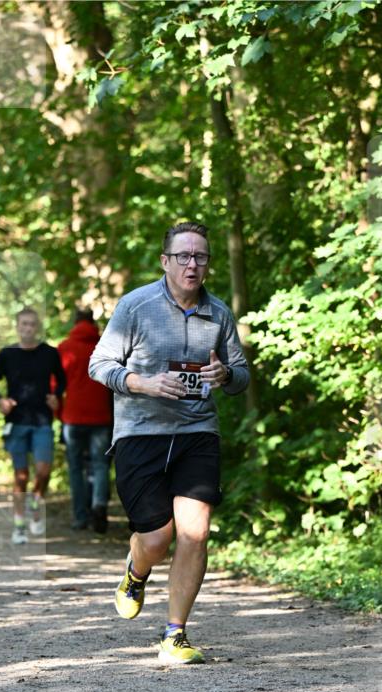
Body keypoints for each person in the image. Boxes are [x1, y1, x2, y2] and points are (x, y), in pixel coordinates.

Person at [89, 221, 250, 665]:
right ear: (166, 261)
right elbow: (98, 365)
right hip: (141, 433)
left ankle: (174, 633)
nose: (192, 264)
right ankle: (135, 572)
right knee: (157, 538)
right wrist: (142, 382)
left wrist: (226, 375)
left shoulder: (217, 313)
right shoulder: (135, 306)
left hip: (198, 432)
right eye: (184, 256)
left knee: (195, 532)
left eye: (200, 256)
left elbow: (240, 374)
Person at [0, 308, 66, 544]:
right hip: (16, 422)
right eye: (24, 324)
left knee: (42, 471)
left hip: (42, 420)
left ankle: (36, 502)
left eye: (32, 324)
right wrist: (0, 400)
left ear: (37, 328)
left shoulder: (49, 353)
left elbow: (62, 379)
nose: (28, 328)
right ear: (17, 327)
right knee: (20, 476)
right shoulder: (7, 354)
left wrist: (56, 395)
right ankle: (20, 524)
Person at [58, 308, 113, 533]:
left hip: (72, 416)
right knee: (100, 465)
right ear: (93, 322)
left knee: (76, 468)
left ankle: (80, 517)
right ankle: (99, 505)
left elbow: (55, 386)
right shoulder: (105, 346)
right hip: (101, 416)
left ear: (75, 322)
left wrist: (58, 414)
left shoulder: (64, 348)